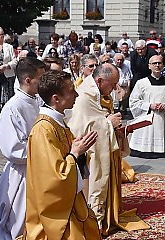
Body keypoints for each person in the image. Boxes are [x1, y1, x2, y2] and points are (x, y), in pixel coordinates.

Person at [67, 63, 149, 236]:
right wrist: (108, 124)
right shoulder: (84, 96)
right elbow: (79, 128)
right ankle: (94, 220)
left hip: (104, 147)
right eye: (112, 84)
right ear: (99, 80)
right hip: (90, 156)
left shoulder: (98, 93)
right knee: (96, 185)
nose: (115, 88)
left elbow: (97, 120)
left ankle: (108, 214)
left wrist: (116, 127)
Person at [24, 70, 101, 239]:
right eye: (71, 90)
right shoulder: (43, 129)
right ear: (55, 98)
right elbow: (52, 178)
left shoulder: (58, 122)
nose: (76, 94)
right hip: (55, 214)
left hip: (70, 202)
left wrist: (78, 152)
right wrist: (75, 153)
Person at [0, 57, 46, 239]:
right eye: (41, 79)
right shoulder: (13, 107)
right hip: (22, 173)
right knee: (17, 223)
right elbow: (12, 149)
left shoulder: (37, 101)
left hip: (39, 168)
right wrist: (45, 152)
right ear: (28, 80)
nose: (43, 84)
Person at [129, 55, 165, 158]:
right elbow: (133, 102)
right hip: (147, 118)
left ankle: (163, 149)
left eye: (159, 63)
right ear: (149, 66)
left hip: (163, 119)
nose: (157, 65)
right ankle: (143, 148)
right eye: (154, 63)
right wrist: (149, 106)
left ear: (163, 65)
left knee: (164, 149)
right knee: (143, 147)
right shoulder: (141, 83)